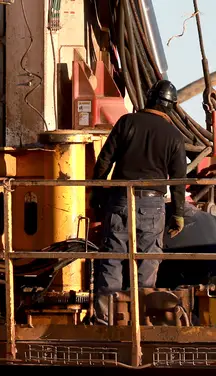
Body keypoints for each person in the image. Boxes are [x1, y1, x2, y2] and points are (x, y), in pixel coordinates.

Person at [91, 79, 187, 324]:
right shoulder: (174, 136)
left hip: (120, 198)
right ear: (170, 107)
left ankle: (106, 320)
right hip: (153, 206)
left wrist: (98, 196)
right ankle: (142, 320)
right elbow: (178, 180)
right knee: (148, 262)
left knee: (112, 258)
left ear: (149, 98)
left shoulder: (127, 123)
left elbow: (104, 161)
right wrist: (178, 214)